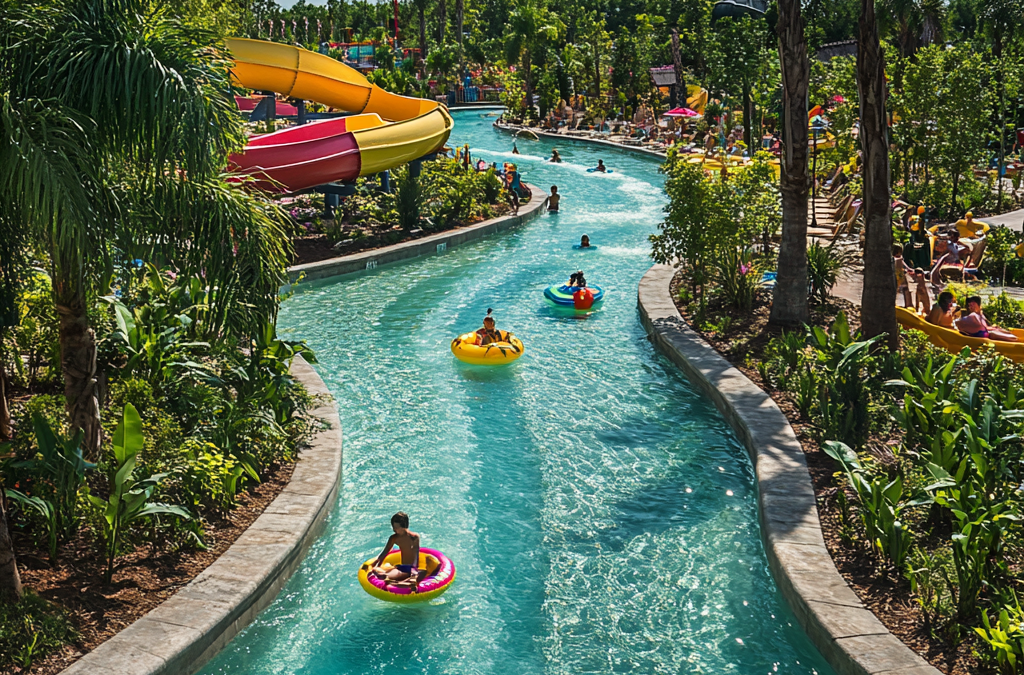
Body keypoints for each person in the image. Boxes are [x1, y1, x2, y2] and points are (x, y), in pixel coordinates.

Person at [369, 512, 427, 589]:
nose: (394, 529)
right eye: (393, 527)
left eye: (396, 527)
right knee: (376, 571)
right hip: (402, 568)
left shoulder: (414, 537)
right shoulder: (394, 538)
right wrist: (377, 565)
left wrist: (414, 569)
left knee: (422, 573)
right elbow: (385, 552)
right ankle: (405, 583)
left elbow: (416, 553)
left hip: (411, 568)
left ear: (404, 527)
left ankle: (405, 582)